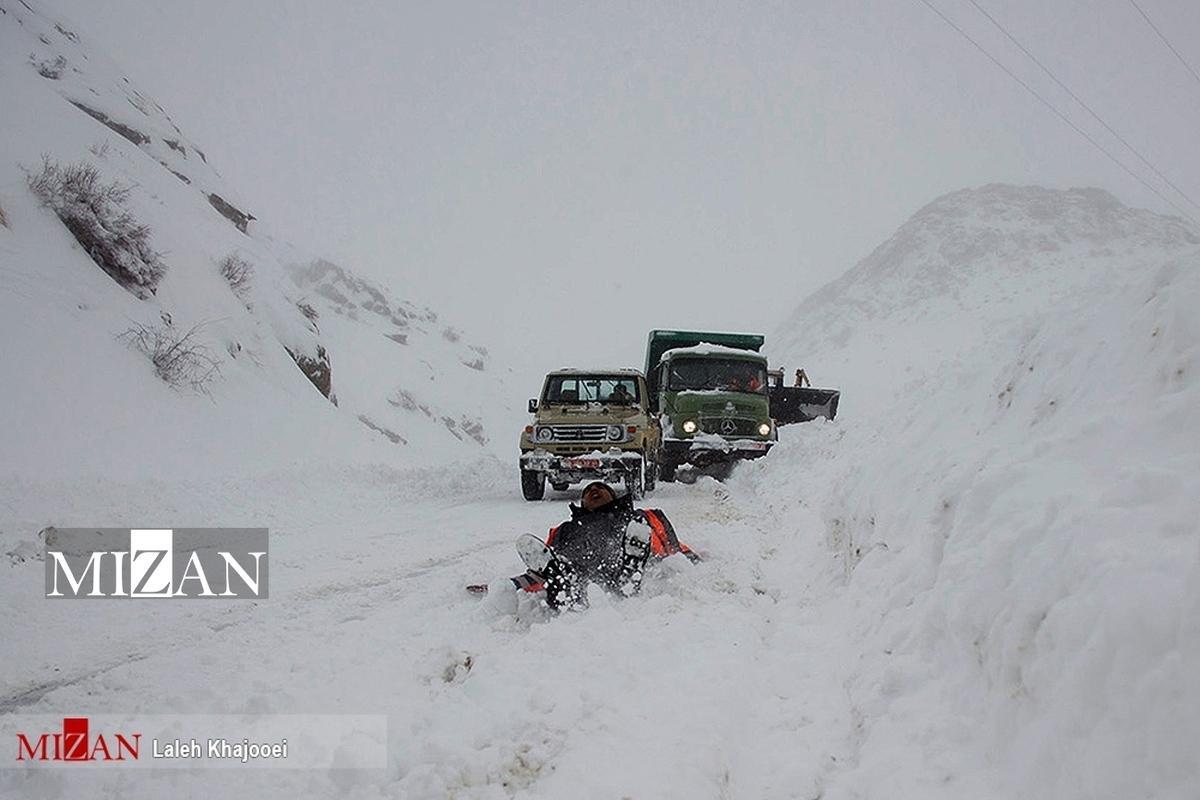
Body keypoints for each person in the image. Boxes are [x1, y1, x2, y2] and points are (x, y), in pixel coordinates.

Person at [509, 481, 698, 609]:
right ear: (582, 503)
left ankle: (631, 571)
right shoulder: (564, 530)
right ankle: (564, 591)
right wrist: (512, 586)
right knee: (559, 573)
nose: (594, 490)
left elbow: (674, 549)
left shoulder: (640, 518)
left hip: (619, 568)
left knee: (633, 549)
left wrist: (694, 561)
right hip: (577, 578)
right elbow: (542, 569)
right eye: (588, 491)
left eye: (600, 488)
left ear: (613, 496)